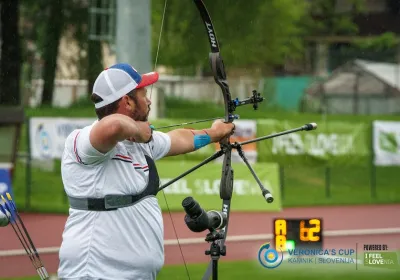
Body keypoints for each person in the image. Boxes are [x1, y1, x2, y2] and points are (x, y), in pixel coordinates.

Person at [57, 63, 235, 280]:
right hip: (95, 273)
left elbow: (179, 139)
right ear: (127, 101)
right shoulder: (82, 141)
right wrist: (138, 131)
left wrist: (215, 133)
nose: (149, 100)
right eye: (143, 94)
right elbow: (112, 126)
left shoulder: (141, 143)